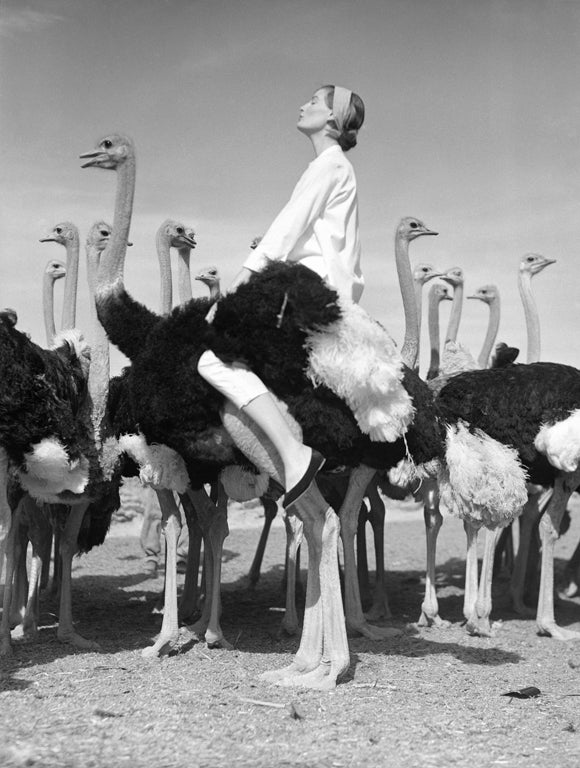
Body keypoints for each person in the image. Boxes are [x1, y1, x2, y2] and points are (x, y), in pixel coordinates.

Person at [197, 84, 365, 508]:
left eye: (314, 100)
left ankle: (293, 454)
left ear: (332, 118)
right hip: (308, 295)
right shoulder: (335, 167)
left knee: (210, 359)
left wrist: (238, 282)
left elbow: (287, 227)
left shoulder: (329, 166)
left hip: (303, 298)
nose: (303, 104)